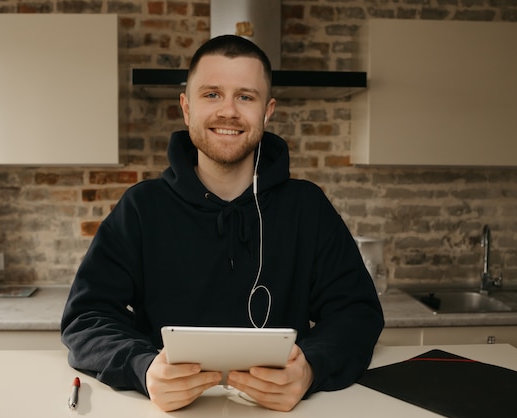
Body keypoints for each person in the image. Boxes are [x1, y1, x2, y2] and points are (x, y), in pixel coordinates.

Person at [61, 34, 384, 412]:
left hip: (283, 411)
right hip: (170, 412)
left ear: (268, 110)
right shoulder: (142, 207)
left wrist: (311, 368)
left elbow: (357, 314)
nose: (228, 111)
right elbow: (86, 317)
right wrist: (143, 368)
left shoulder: (307, 207)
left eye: (245, 96)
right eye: (212, 94)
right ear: (186, 107)